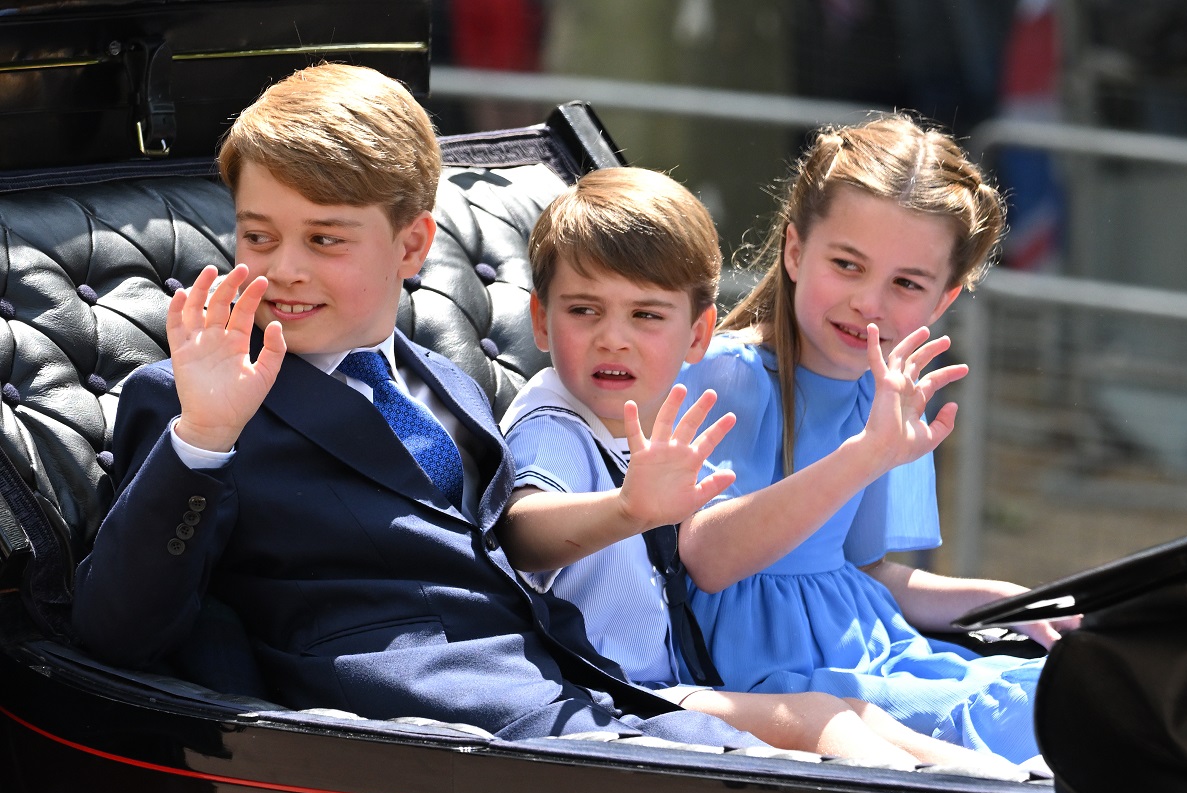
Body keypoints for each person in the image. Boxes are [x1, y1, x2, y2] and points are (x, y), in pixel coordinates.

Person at [68, 62, 763, 749]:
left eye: (324, 238)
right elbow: (116, 631)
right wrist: (204, 436)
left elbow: (500, 552)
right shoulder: (193, 400)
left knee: (816, 763)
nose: (283, 267)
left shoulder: (447, 381)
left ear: (413, 245)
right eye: (258, 236)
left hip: (573, 689)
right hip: (423, 730)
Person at [497, 165, 1020, 772]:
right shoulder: (561, 420)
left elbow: (866, 571)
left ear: (695, 333)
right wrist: (626, 509)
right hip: (618, 694)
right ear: (540, 319)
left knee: (869, 719)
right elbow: (521, 532)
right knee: (827, 716)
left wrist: (1006, 601)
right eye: (585, 310)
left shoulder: (881, 398)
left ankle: (1008, 789)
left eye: (644, 316)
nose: (614, 338)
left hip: (678, 678)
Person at [674, 112, 1077, 766]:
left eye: (906, 284)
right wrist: (865, 454)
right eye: (847, 264)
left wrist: (1001, 599)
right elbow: (708, 559)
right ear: (796, 251)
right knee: (1041, 718)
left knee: (1059, 688)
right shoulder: (728, 375)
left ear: (942, 301)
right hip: (786, 681)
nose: (869, 302)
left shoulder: (891, 390)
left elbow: (870, 574)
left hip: (881, 651)